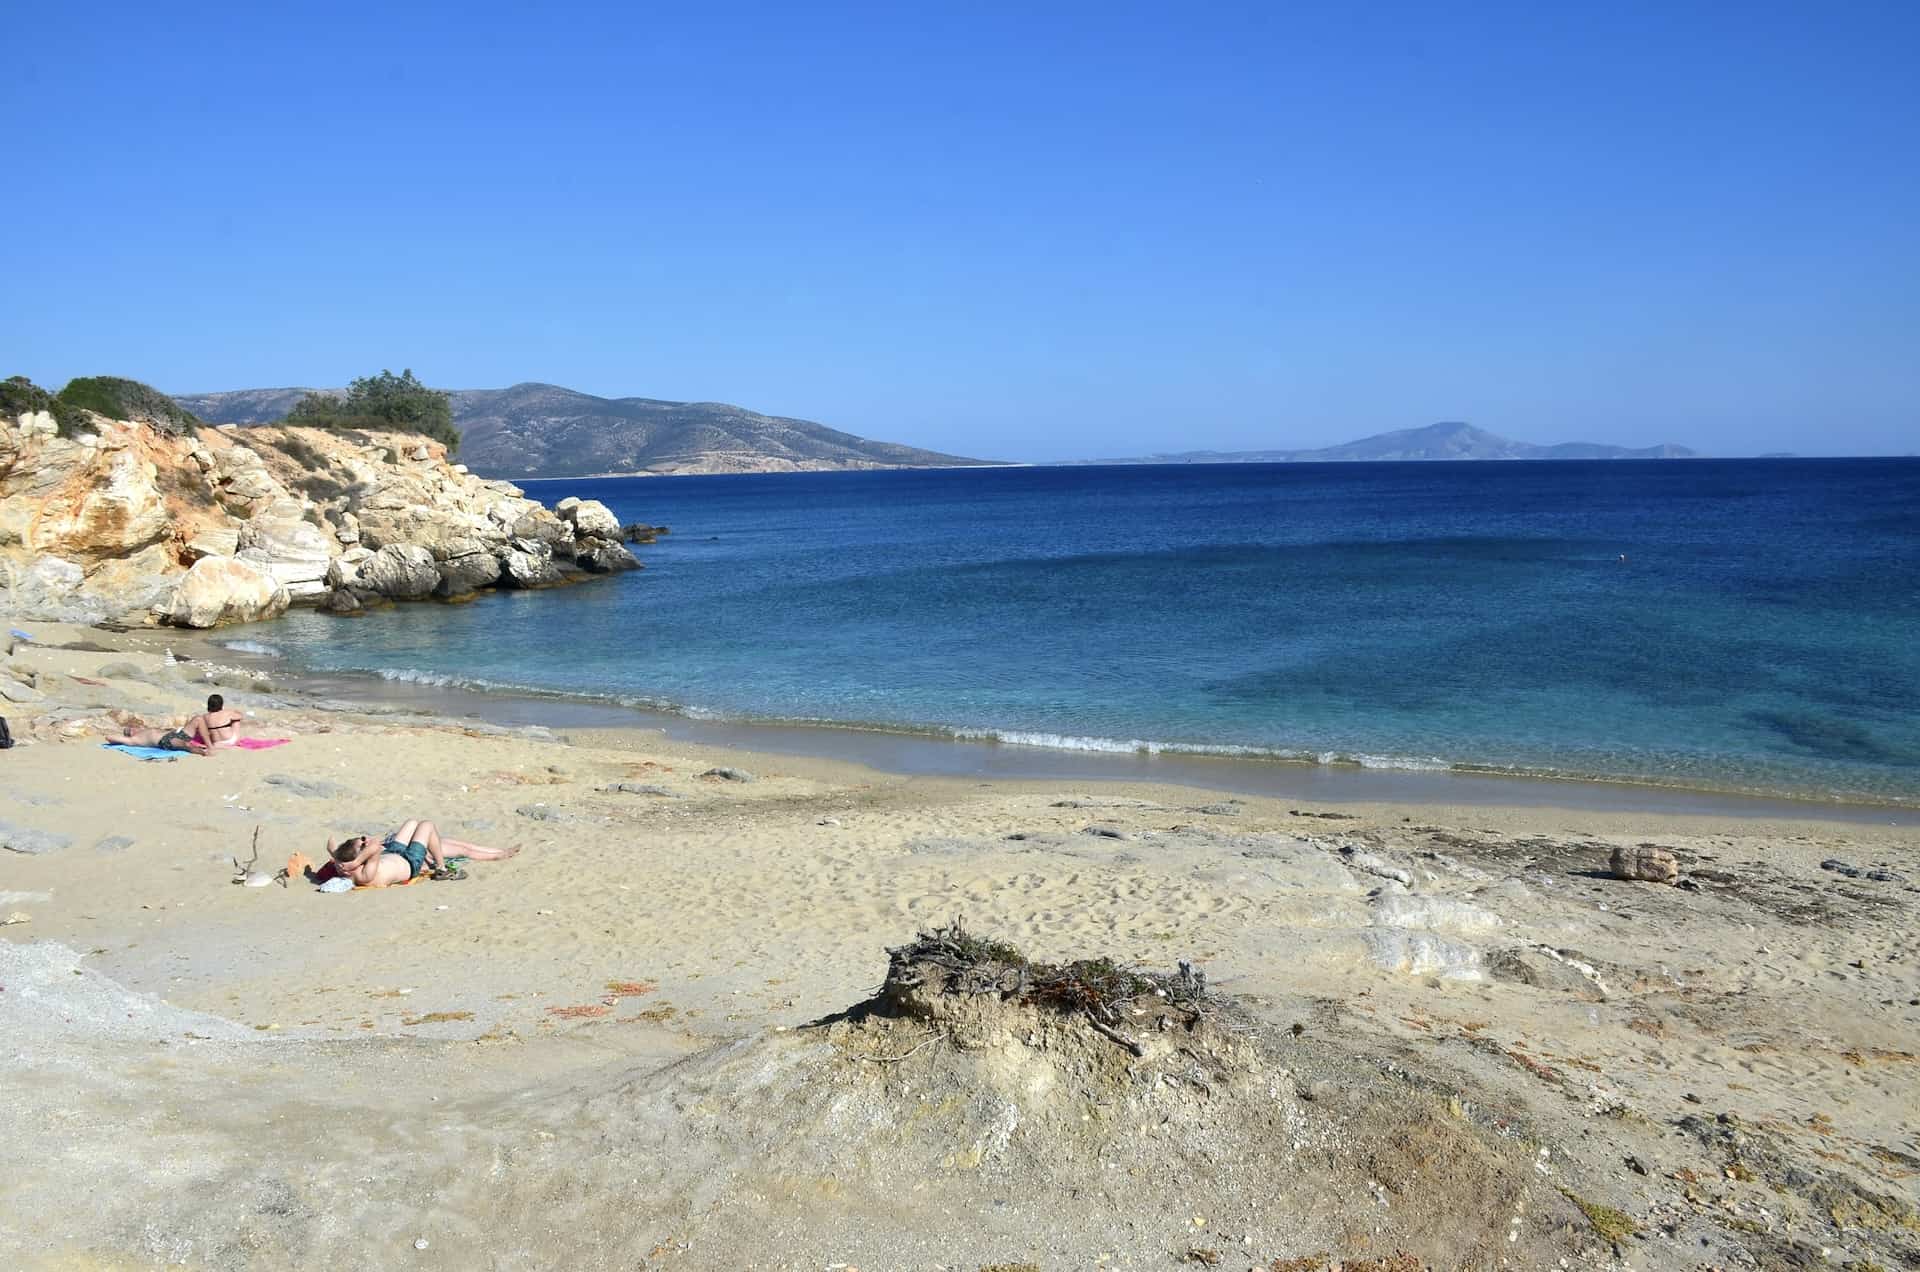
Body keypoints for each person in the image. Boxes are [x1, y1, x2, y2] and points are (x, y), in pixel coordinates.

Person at [325, 819, 519, 886]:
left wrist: (337, 855)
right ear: (359, 859)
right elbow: (374, 847)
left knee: (411, 823)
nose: (367, 840)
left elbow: (331, 845)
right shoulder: (365, 873)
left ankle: (500, 852)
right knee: (427, 825)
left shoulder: (346, 865)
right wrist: (355, 860)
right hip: (410, 861)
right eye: (363, 843)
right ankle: (443, 869)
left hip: (395, 853)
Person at [103, 722, 208, 754]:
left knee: (197, 719)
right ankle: (203, 752)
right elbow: (109, 737)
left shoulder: (145, 729)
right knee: (186, 745)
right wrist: (124, 738)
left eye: (131, 728)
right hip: (165, 741)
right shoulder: (135, 740)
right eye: (130, 732)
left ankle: (211, 740)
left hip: (176, 734)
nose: (133, 730)